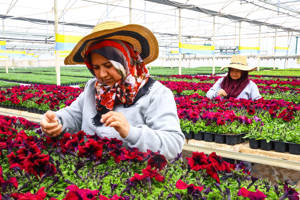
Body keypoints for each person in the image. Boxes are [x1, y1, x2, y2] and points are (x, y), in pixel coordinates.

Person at [40, 21, 184, 160]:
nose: (102, 74)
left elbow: (173, 144)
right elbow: (73, 115)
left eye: (108, 65)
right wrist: (57, 121)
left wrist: (130, 131)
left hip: (133, 176)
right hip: (90, 171)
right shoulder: (93, 88)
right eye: (96, 68)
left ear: (126, 60)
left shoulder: (156, 94)